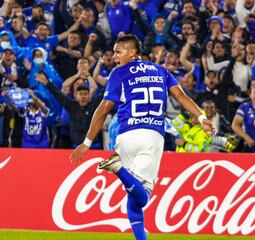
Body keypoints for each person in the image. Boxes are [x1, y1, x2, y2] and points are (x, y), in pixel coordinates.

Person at [70, 34, 215, 240]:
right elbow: (181, 96)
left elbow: (103, 109)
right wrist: (201, 117)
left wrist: (87, 142)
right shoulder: (161, 71)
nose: (115, 56)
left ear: (132, 52)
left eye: (119, 51)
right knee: (142, 197)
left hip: (125, 136)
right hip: (151, 136)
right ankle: (118, 169)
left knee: (133, 197)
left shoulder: (118, 73)